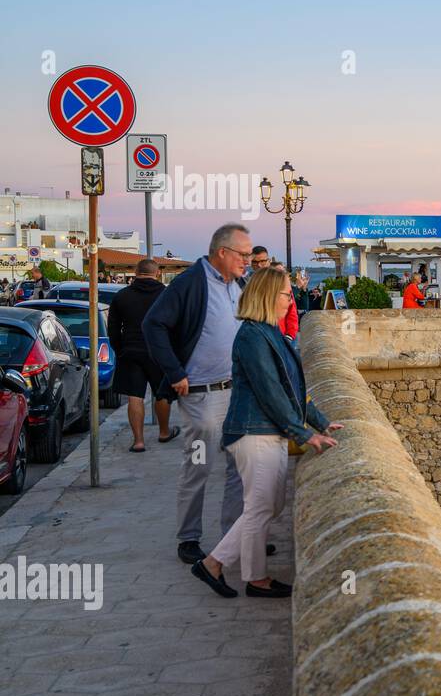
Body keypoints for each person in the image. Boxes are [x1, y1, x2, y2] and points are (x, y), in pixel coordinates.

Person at [192, 268, 341, 599]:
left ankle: (242, 572)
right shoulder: (252, 336)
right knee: (261, 506)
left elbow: (293, 388)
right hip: (253, 432)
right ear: (268, 296)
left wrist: (320, 421)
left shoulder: (268, 332)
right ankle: (220, 566)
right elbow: (271, 391)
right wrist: (304, 434)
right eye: (287, 295)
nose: (291, 301)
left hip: (266, 432)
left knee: (267, 506)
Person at [142, 223, 251, 565]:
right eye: (243, 254)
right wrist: (175, 372)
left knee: (240, 466)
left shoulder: (240, 284)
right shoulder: (190, 283)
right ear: (222, 252)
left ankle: (233, 538)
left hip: (237, 391)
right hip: (202, 396)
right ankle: (188, 538)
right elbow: (152, 325)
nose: (247, 261)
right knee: (199, 464)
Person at [108, 258, 178, 453]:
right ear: (157, 273)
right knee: (162, 393)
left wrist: (119, 349)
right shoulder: (167, 295)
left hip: (131, 351)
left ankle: (138, 441)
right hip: (159, 352)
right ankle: (164, 432)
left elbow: (113, 328)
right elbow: (176, 325)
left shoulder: (122, 296)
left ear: (136, 273)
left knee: (135, 396)